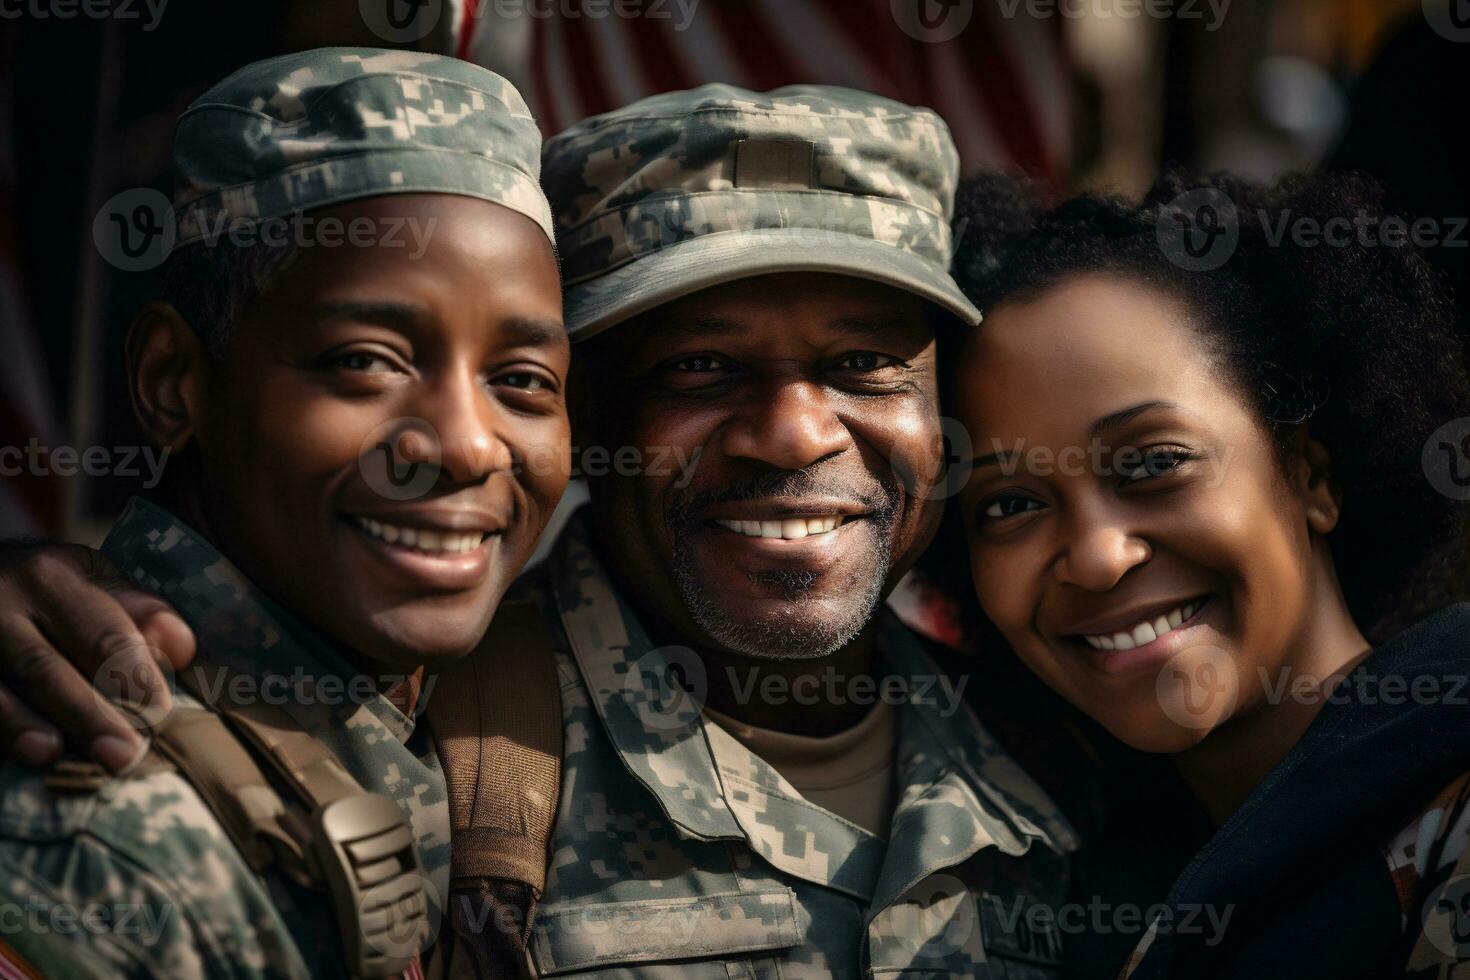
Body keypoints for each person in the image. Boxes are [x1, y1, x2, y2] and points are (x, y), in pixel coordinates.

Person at [0, 85, 1079, 976]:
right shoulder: (422, 731)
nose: (793, 434)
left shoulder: (1072, 733)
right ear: (591, 407)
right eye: (698, 367)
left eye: (863, 365)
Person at [0, 47, 570, 978]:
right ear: (174, 381)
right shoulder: (96, 823)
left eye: (522, 381)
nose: (467, 445)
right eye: (365, 360)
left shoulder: (440, 707)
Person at [937, 169, 1470, 978]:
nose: (1097, 555)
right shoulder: (1062, 888)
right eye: (1008, 504)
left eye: (1154, 461)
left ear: (1310, 476)